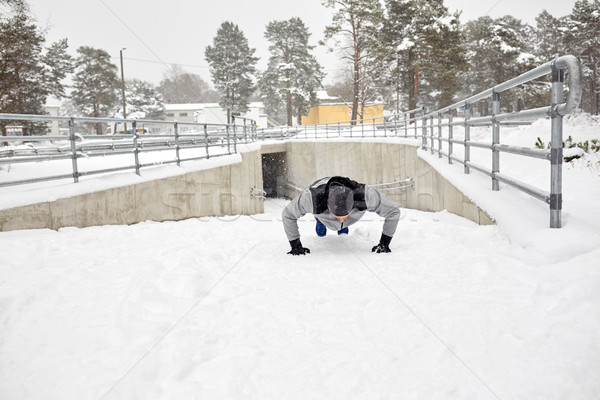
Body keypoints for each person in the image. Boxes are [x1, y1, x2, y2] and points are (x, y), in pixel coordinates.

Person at [282, 176, 400, 255]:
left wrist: (384, 243)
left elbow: (393, 212)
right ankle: (319, 220)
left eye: (345, 215)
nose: (341, 219)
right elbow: (288, 215)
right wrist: (295, 245)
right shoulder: (311, 199)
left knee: (342, 227)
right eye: (337, 216)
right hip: (321, 200)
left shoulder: (367, 196)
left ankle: (343, 226)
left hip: (345, 196)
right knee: (321, 229)